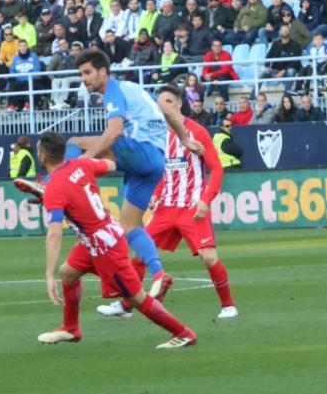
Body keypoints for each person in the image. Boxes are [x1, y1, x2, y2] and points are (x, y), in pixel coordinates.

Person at [50, 48, 200, 299]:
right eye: (81, 74)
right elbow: (167, 109)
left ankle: (59, 184)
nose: (84, 78)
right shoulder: (134, 88)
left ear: (103, 71)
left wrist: (82, 163)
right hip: (156, 161)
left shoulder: (114, 91)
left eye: (88, 72)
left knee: (76, 142)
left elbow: (114, 133)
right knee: (130, 226)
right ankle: (159, 273)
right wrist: (184, 139)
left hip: (140, 151)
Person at [32, 131, 197, 349]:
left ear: (42, 156)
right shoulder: (81, 165)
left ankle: (184, 333)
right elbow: (110, 165)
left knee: (136, 297)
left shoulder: (54, 187)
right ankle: (70, 328)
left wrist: (47, 274)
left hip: (104, 247)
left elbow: (54, 233)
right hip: (99, 237)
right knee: (68, 273)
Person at [98, 85, 237, 320]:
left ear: (179, 104)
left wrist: (205, 200)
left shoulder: (196, 132)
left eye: (169, 102)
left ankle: (228, 305)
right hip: (166, 208)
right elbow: (162, 169)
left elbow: (216, 168)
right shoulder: (158, 134)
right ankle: (126, 305)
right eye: (160, 102)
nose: (164, 107)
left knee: (209, 257)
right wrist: (155, 192)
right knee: (140, 252)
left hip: (192, 208)